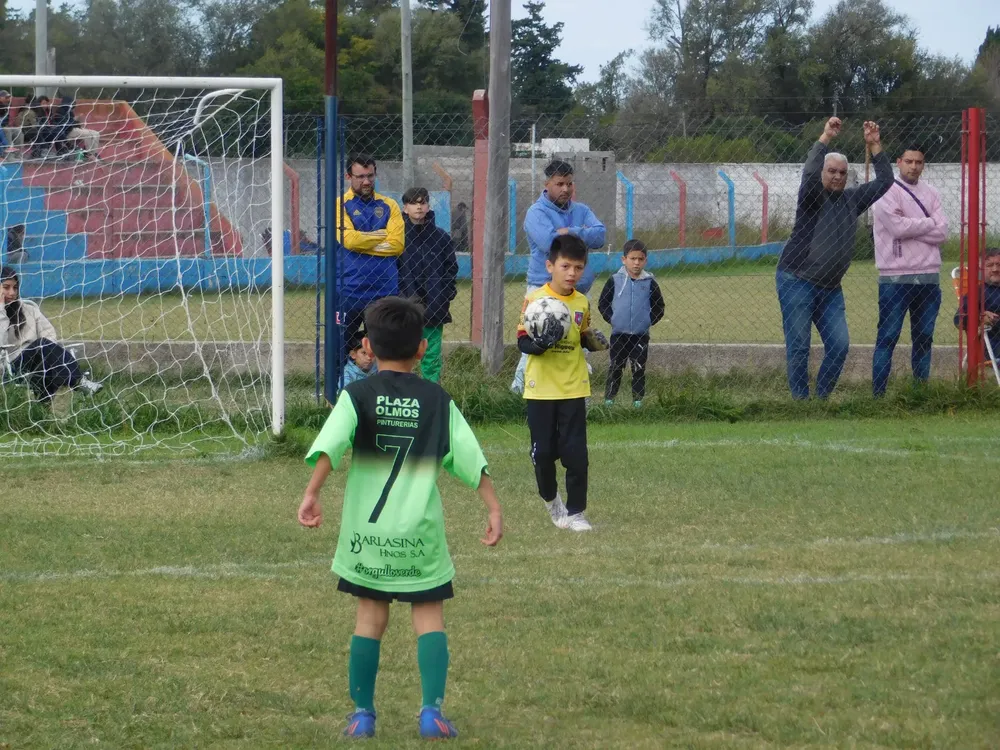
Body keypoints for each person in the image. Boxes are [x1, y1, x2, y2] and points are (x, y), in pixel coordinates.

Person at [298, 296, 503, 740]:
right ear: (423, 348)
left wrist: (312, 493)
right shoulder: (436, 399)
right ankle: (431, 713)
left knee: (369, 619)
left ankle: (362, 715)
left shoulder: (356, 395)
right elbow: (467, 457)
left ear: (368, 346)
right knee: (429, 616)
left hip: (367, 537)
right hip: (419, 537)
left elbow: (330, 446)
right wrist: (493, 506)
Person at [775, 117, 893, 399]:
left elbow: (886, 181)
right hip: (797, 281)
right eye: (831, 171)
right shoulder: (812, 196)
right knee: (800, 346)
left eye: (842, 172)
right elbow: (809, 171)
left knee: (839, 346)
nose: (837, 176)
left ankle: (821, 398)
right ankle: (801, 403)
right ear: (823, 173)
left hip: (830, 289)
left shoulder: (853, 200)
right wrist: (825, 137)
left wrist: (875, 145)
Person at [516, 235, 608, 532]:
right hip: (540, 388)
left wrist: (593, 342)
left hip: (573, 386)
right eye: (565, 266)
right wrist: (540, 343)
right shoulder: (536, 301)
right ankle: (550, 499)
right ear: (550, 265)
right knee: (542, 454)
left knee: (576, 454)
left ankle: (577, 512)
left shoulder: (582, 302)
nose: (571, 273)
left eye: (578, 267)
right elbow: (522, 342)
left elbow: (581, 335)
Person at [511, 160, 605, 394]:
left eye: (569, 184)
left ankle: (573, 392)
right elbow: (551, 243)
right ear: (547, 184)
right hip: (544, 291)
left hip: (578, 292)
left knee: (575, 344)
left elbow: (600, 235)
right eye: (559, 183)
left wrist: (571, 231)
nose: (565, 189)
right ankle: (521, 390)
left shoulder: (581, 210)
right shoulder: (537, 212)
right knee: (536, 341)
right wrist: (580, 234)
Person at [870, 144, 948, 397]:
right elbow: (896, 228)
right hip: (895, 278)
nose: (914, 167)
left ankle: (919, 392)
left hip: (929, 277)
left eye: (919, 162)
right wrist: (928, 224)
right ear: (899, 162)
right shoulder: (886, 190)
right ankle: (878, 394)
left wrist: (912, 225)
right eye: (909, 161)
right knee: (888, 337)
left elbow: (943, 232)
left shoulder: (932, 193)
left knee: (924, 338)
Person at [335, 154, 404, 362]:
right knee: (339, 345)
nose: (366, 181)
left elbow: (397, 244)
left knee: (387, 346)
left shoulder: (390, 205)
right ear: (349, 176)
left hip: (385, 290)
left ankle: (382, 389)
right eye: (360, 176)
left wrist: (362, 241)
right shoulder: (339, 205)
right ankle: (338, 390)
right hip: (349, 290)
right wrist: (381, 235)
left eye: (370, 176)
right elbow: (349, 240)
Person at [1, 266, 103, 403]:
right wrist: (1, 311)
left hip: (38, 359)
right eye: (6, 287)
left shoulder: (29, 309)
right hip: (10, 367)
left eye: (15, 288)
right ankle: (78, 381)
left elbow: (49, 334)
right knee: (42, 344)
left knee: (45, 350)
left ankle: (43, 410)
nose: (12, 292)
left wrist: (46, 355)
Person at [398, 187, 458, 384]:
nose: (419, 207)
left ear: (428, 206)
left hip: (435, 305)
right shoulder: (397, 236)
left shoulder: (441, 238)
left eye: (422, 202)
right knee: (401, 353)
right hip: (404, 306)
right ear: (405, 208)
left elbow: (451, 269)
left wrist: (445, 296)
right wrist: (400, 296)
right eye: (414, 203)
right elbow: (392, 269)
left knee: (431, 355)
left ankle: (430, 393)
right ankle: (401, 391)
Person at [598, 239, 665, 407]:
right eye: (632, 258)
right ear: (624, 259)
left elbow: (659, 307)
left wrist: (647, 322)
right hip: (619, 335)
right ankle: (609, 401)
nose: (636, 263)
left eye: (640, 259)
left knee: (639, 368)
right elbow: (603, 303)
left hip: (640, 336)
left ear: (645, 261)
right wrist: (613, 319)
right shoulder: (615, 280)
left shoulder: (649, 283)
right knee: (615, 367)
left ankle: (637, 402)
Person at [954, 247, 1000, 363]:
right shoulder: (977, 292)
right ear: (981, 268)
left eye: (999, 264)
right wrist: (980, 317)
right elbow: (958, 319)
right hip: (994, 343)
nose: (995, 269)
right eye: (990, 265)